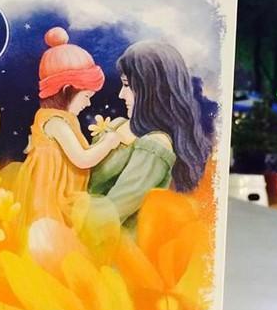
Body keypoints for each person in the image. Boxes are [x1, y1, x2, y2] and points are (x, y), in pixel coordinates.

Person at [89, 40, 211, 225]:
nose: (121, 94)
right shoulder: (118, 124)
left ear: (152, 89)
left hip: (104, 235)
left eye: (127, 85)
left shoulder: (155, 144)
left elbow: (111, 212)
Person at [14, 27, 123, 228]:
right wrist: (108, 142)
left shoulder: (64, 119)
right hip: (51, 200)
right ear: (66, 90)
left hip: (60, 195)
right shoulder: (56, 123)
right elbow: (82, 159)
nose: (88, 103)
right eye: (86, 96)